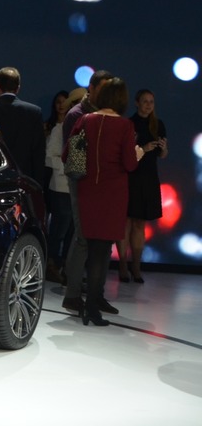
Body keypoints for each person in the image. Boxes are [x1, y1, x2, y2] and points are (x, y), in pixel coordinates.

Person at [64, 78, 142, 326]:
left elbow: (68, 153)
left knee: (90, 245)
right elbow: (129, 164)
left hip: (87, 190)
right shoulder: (125, 126)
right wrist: (138, 153)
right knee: (101, 252)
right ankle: (92, 306)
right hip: (112, 194)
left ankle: (90, 304)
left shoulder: (85, 120)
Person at [60, 69, 114, 314]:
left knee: (103, 239)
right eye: (102, 88)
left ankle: (96, 294)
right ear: (91, 88)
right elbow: (73, 154)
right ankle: (72, 294)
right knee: (82, 237)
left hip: (100, 182)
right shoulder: (77, 114)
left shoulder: (108, 115)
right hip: (81, 181)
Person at [116, 89, 168, 283]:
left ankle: (136, 266)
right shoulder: (129, 124)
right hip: (131, 176)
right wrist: (143, 149)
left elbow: (163, 155)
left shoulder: (158, 125)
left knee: (140, 223)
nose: (148, 105)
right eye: (145, 101)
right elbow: (124, 153)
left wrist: (163, 149)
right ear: (137, 103)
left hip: (148, 178)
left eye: (151, 102)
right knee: (126, 222)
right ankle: (122, 264)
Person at [0, 67, 46, 188]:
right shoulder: (34, 112)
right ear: (18, 87)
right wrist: (38, 184)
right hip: (24, 179)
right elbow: (38, 152)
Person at [43, 88, 83, 283]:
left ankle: (67, 268)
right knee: (59, 229)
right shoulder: (59, 128)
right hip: (60, 186)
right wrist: (68, 165)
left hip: (77, 187)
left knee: (71, 232)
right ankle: (51, 264)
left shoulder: (83, 129)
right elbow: (49, 157)